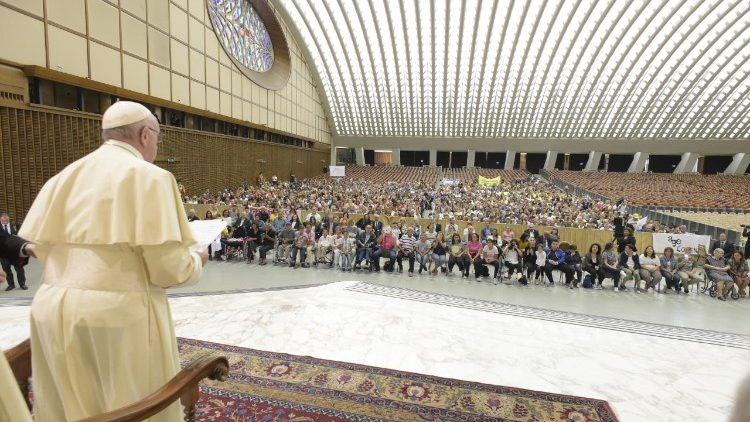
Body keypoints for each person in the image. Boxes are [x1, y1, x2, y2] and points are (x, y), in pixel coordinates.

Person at [19, 101, 207, 421]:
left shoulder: (63, 177)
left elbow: (45, 249)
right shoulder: (151, 178)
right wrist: (197, 259)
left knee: (70, 402)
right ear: (146, 135)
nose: (156, 147)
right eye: (157, 139)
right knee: (128, 404)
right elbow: (167, 270)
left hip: (51, 308)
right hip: (116, 314)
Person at [0, 213, 28, 290]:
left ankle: (22, 284)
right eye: (3, 220)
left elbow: (23, 234)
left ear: (9, 219)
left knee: (19, 268)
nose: (5, 221)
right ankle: (11, 285)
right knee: (7, 269)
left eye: (6, 220)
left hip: (15, 251)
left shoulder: (15, 225)